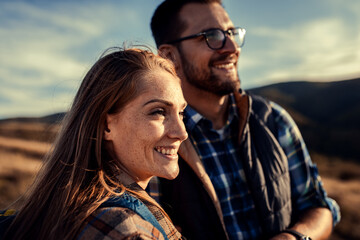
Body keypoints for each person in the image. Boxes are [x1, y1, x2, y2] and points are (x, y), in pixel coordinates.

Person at [147, 0, 341, 239]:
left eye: (231, 33)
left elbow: (320, 207)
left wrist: (293, 237)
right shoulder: (156, 141)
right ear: (169, 56)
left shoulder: (273, 120)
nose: (231, 47)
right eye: (212, 35)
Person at [2, 47, 187, 240]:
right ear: (106, 125)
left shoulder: (74, 206)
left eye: (181, 113)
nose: (182, 133)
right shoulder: (127, 230)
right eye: (158, 111)